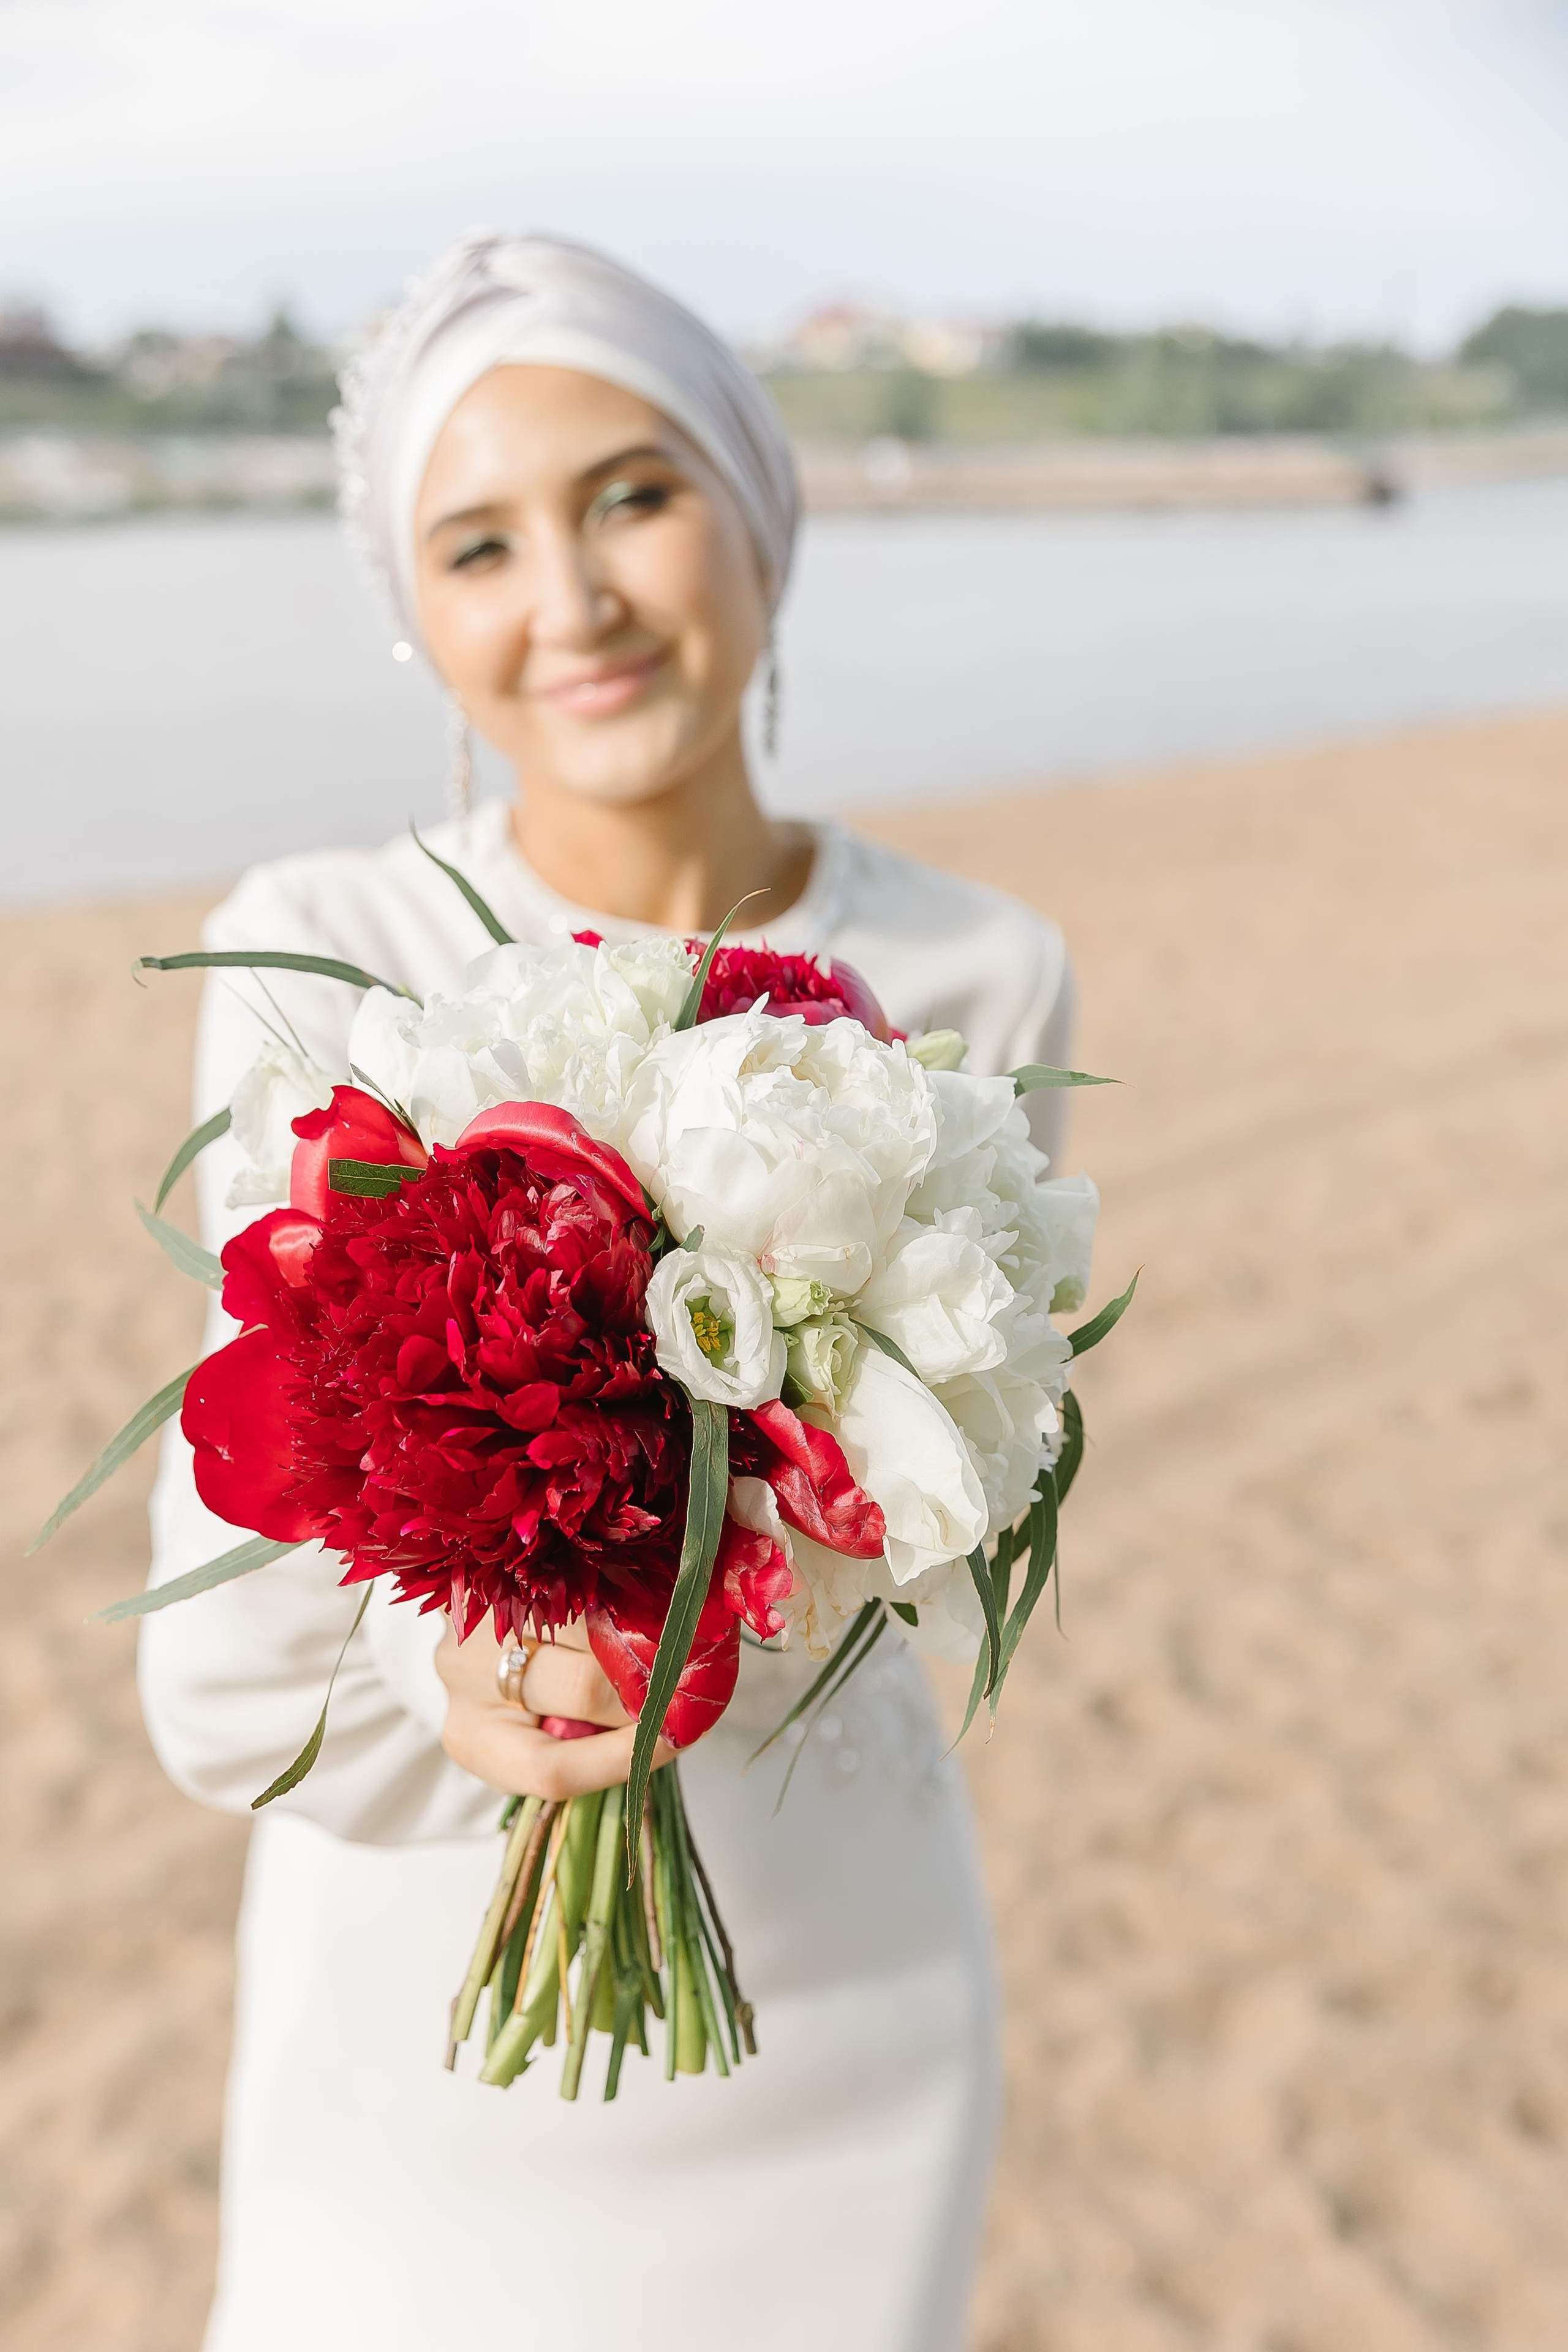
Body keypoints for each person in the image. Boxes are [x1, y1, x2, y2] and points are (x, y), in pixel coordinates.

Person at [140, 232, 1076, 2352]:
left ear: (761, 510)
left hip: (844, 1986)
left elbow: (945, 1509)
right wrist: (449, 1660)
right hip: (419, 2002)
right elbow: (252, 1531)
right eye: (478, 546)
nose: (571, 601)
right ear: (419, 621)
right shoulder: (322, 940)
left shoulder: (987, 970)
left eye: (634, 496)